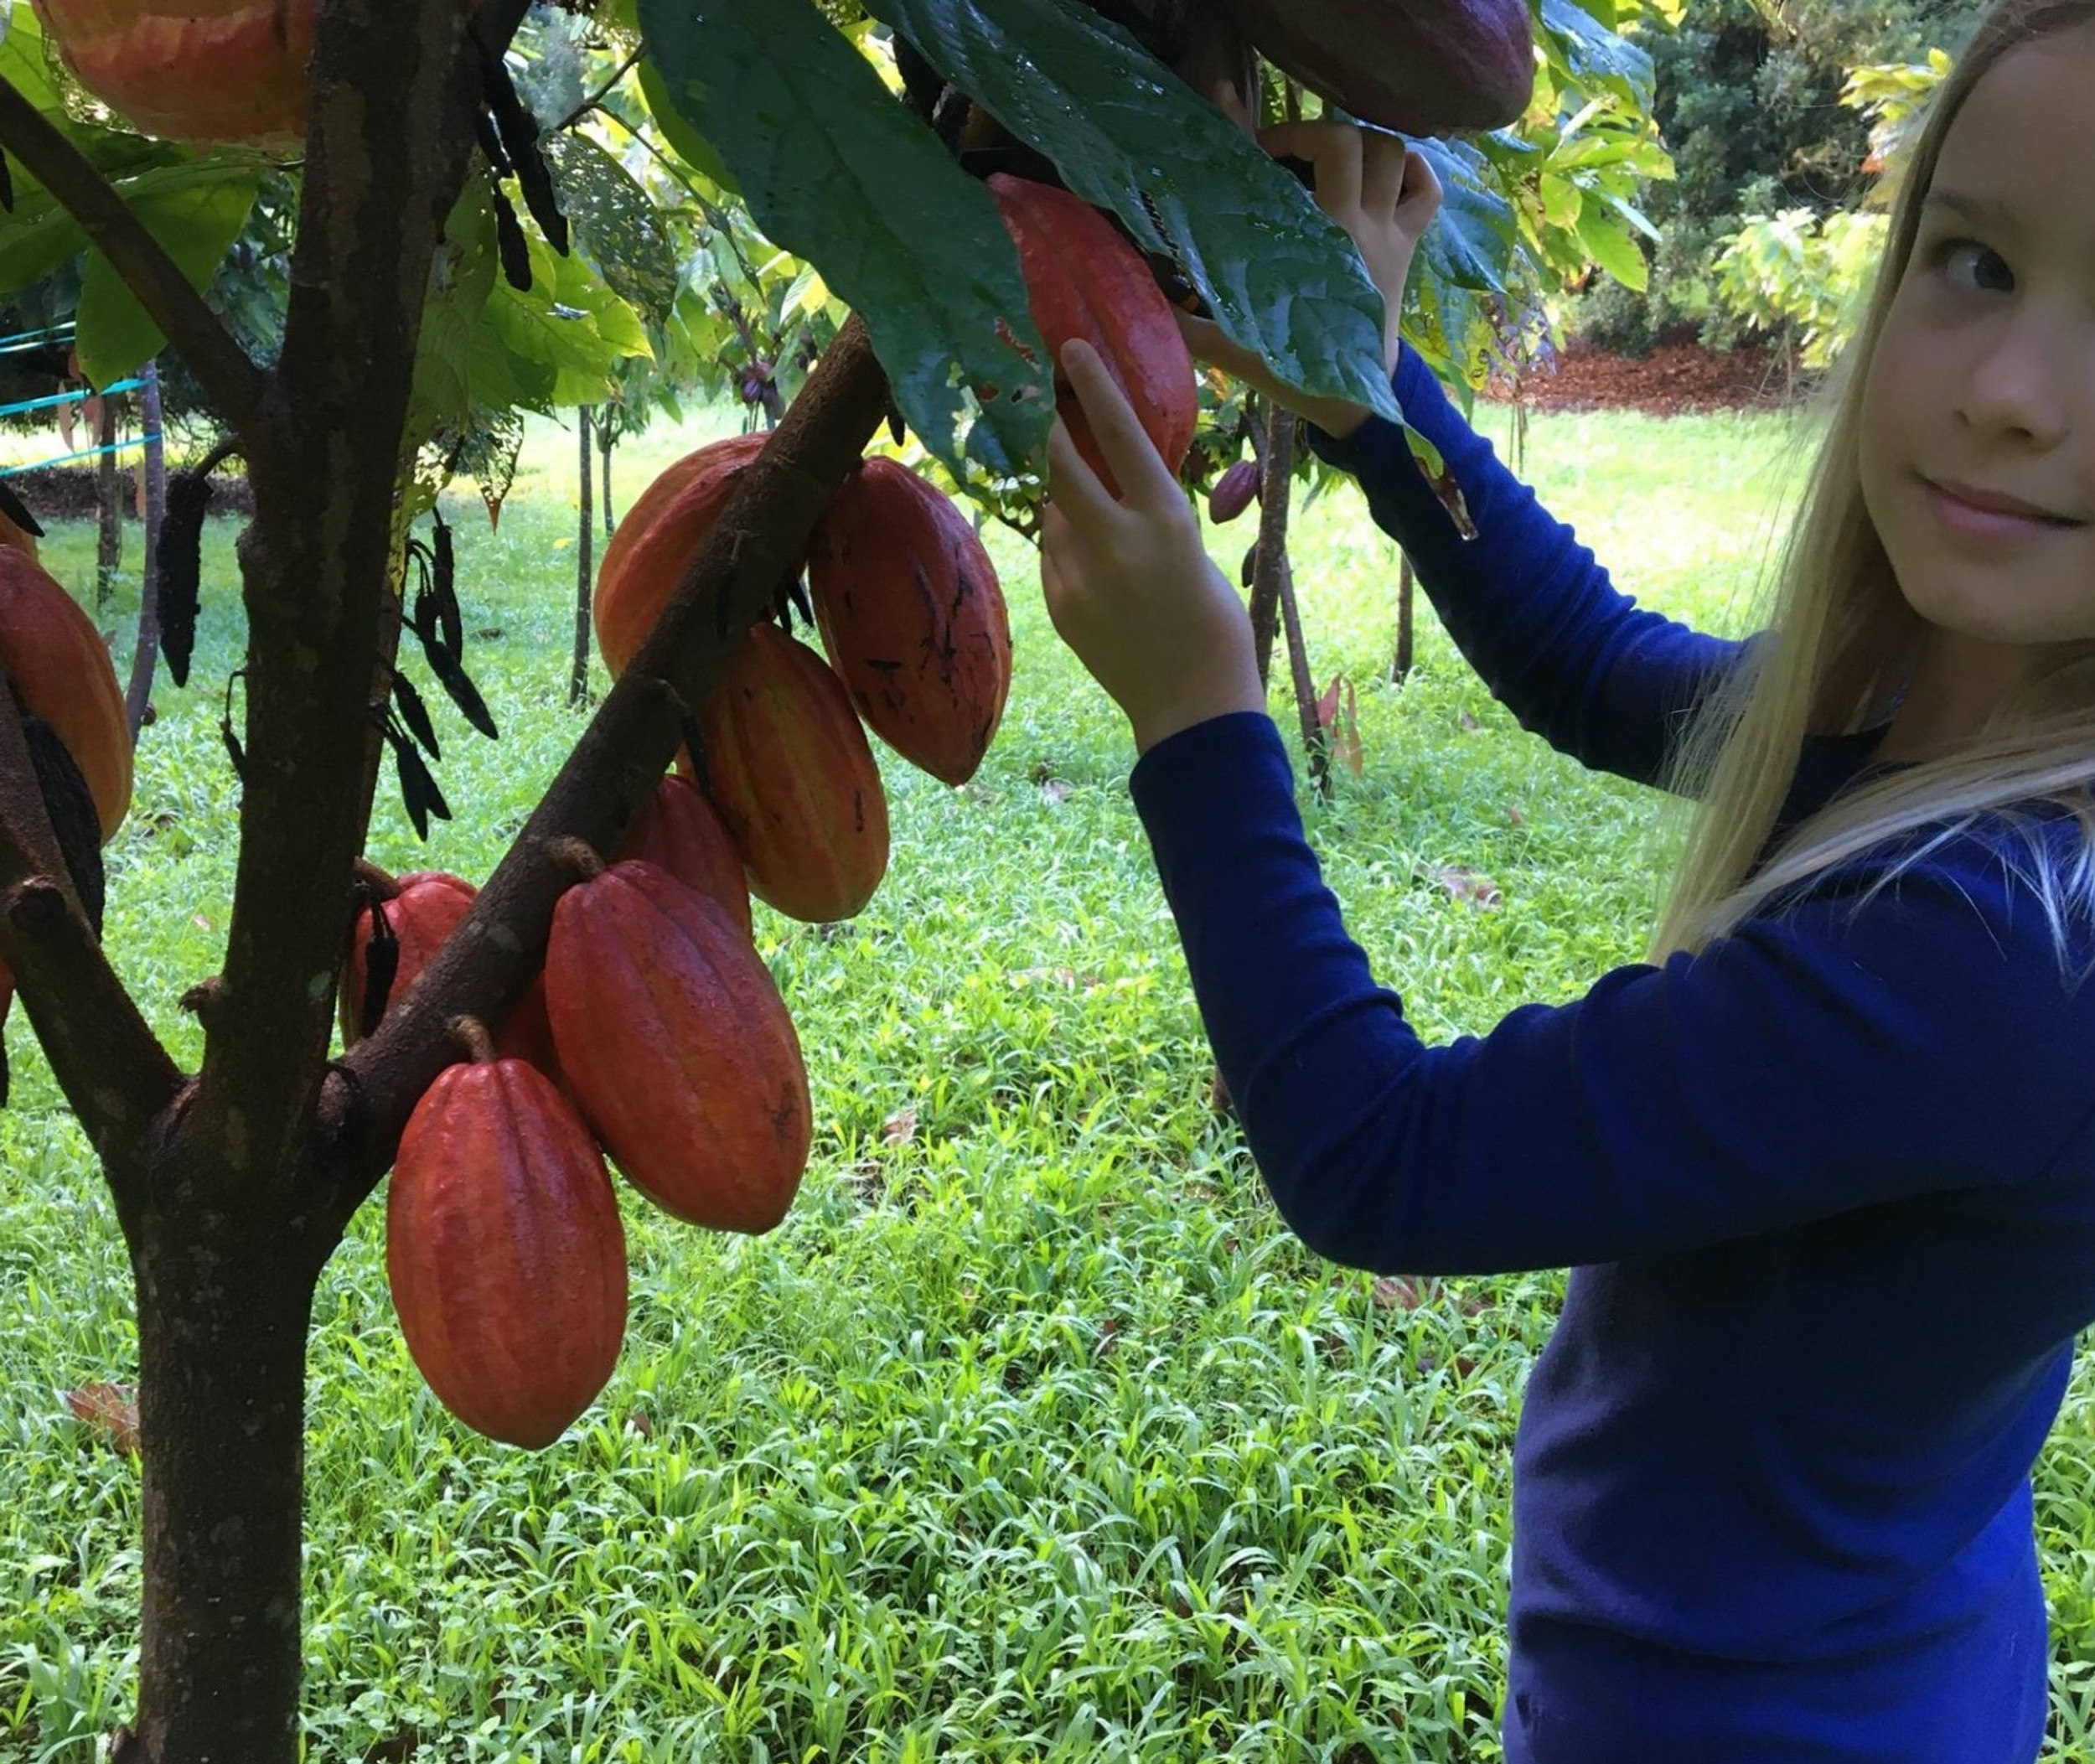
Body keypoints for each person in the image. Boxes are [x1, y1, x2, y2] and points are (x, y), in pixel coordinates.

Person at [1035, 2, 2095, 1759]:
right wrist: (1379, 407)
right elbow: (1597, 666)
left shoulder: (1996, 955)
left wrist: (1195, 709)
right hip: (1857, 1630)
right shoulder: (1928, 706)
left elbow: (1382, 1155)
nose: (2005, 395)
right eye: (1974, 262)